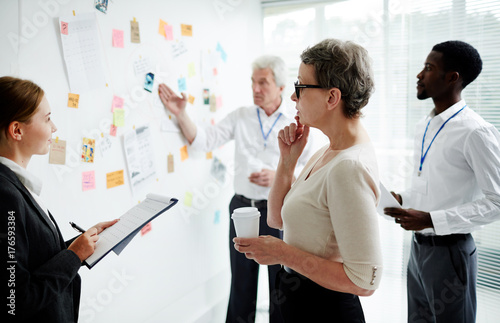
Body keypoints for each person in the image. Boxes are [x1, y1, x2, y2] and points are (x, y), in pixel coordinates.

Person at [233, 39, 383, 322]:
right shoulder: (328, 149)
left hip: (323, 308)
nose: (293, 97)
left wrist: (282, 253)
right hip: (298, 296)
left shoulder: (349, 166)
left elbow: (364, 281)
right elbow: (277, 219)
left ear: (331, 98)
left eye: (300, 87)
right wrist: (287, 162)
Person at [158, 55, 313, 323]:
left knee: (281, 281)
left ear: (280, 87)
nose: (256, 88)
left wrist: (280, 175)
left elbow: (311, 170)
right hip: (242, 208)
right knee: (241, 280)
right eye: (253, 82)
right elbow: (205, 140)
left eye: (263, 82)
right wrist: (181, 113)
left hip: (279, 211)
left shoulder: (297, 120)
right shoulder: (241, 116)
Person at [384, 41, 500, 323]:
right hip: (418, 250)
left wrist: (432, 219)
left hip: (451, 253)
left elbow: (497, 201)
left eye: (428, 68)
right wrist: (402, 199)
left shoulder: (476, 131)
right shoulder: (425, 125)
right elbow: (431, 186)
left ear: (452, 78)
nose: (419, 75)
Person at [0, 76, 118, 322]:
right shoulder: (5, 195)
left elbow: (32, 259)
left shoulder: (15, 183)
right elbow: (15, 299)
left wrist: (82, 242)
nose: (54, 127)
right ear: (17, 130)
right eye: (47, 118)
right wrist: (73, 256)